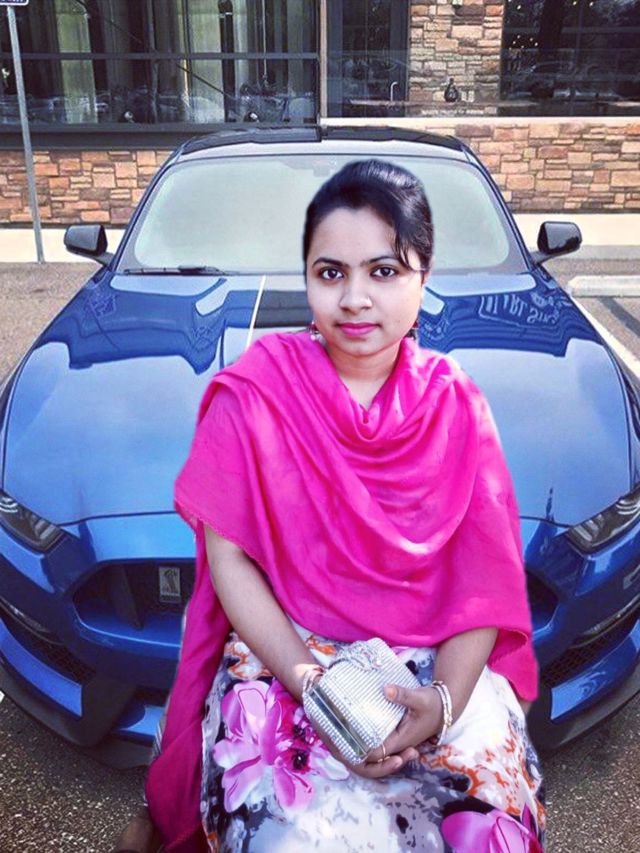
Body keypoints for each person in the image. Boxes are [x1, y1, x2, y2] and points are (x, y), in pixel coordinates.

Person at [112, 159, 546, 852]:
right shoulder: (256, 392)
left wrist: (443, 703)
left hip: (435, 659)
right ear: (307, 277)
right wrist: (310, 684)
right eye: (330, 272)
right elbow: (230, 560)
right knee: (282, 834)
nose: (354, 298)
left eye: (384, 271)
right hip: (288, 652)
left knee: (488, 829)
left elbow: (484, 585)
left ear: (423, 277)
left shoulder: (457, 405)